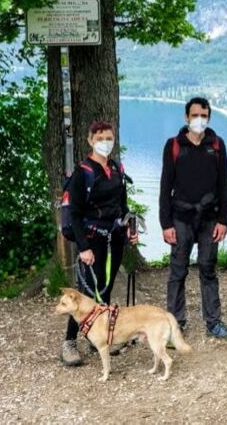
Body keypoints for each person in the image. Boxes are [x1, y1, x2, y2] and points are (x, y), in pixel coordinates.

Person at [60, 120, 138, 366]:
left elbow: (122, 206)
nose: (106, 142)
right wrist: (83, 247)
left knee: (104, 289)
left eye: (109, 137)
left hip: (113, 238)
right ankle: (69, 342)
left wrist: (128, 231)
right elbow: (74, 213)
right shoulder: (83, 173)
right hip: (91, 240)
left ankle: (99, 338)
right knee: (83, 295)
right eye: (101, 138)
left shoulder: (116, 168)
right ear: (90, 141)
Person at [159, 97, 227, 340]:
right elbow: (164, 187)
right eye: (194, 115)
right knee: (178, 271)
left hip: (209, 219)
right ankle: (174, 323)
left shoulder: (217, 145)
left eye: (203, 115)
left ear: (209, 118)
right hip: (180, 218)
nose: (199, 120)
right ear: (186, 117)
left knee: (208, 268)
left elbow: (224, 184)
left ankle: (213, 322)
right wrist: (166, 224)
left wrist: (224, 220)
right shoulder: (173, 145)